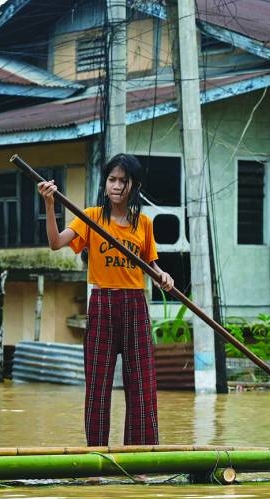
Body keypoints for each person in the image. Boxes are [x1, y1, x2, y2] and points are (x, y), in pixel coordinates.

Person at [37, 153, 174, 446]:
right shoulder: (91, 217)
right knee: (98, 386)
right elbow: (55, 242)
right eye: (112, 180)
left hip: (135, 305)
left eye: (123, 181)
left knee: (141, 386)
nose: (117, 186)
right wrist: (50, 204)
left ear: (133, 185)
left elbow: (152, 264)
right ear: (105, 183)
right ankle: (97, 461)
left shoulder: (144, 224)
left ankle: (138, 461)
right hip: (102, 303)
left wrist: (164, 276)